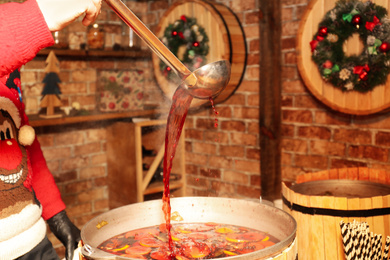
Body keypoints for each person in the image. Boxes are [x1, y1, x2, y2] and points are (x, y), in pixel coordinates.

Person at [0, 0, 102, 259]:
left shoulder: (9, 74)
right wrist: (43, 12)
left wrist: (58, 218)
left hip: (35, 243)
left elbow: (27, 151)